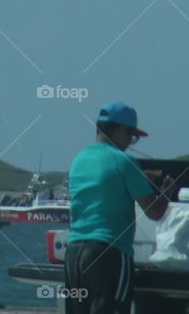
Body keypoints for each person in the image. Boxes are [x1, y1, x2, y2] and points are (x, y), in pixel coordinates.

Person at [65, 103, 177, 314]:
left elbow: (105, 184)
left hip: (74, 251)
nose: (130, 143)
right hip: (109, 251)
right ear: (119, 130)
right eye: (131, 136)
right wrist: (166, 192)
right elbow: (155, 212)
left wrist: (140, 177)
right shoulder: (125, 162)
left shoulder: (78, 160)